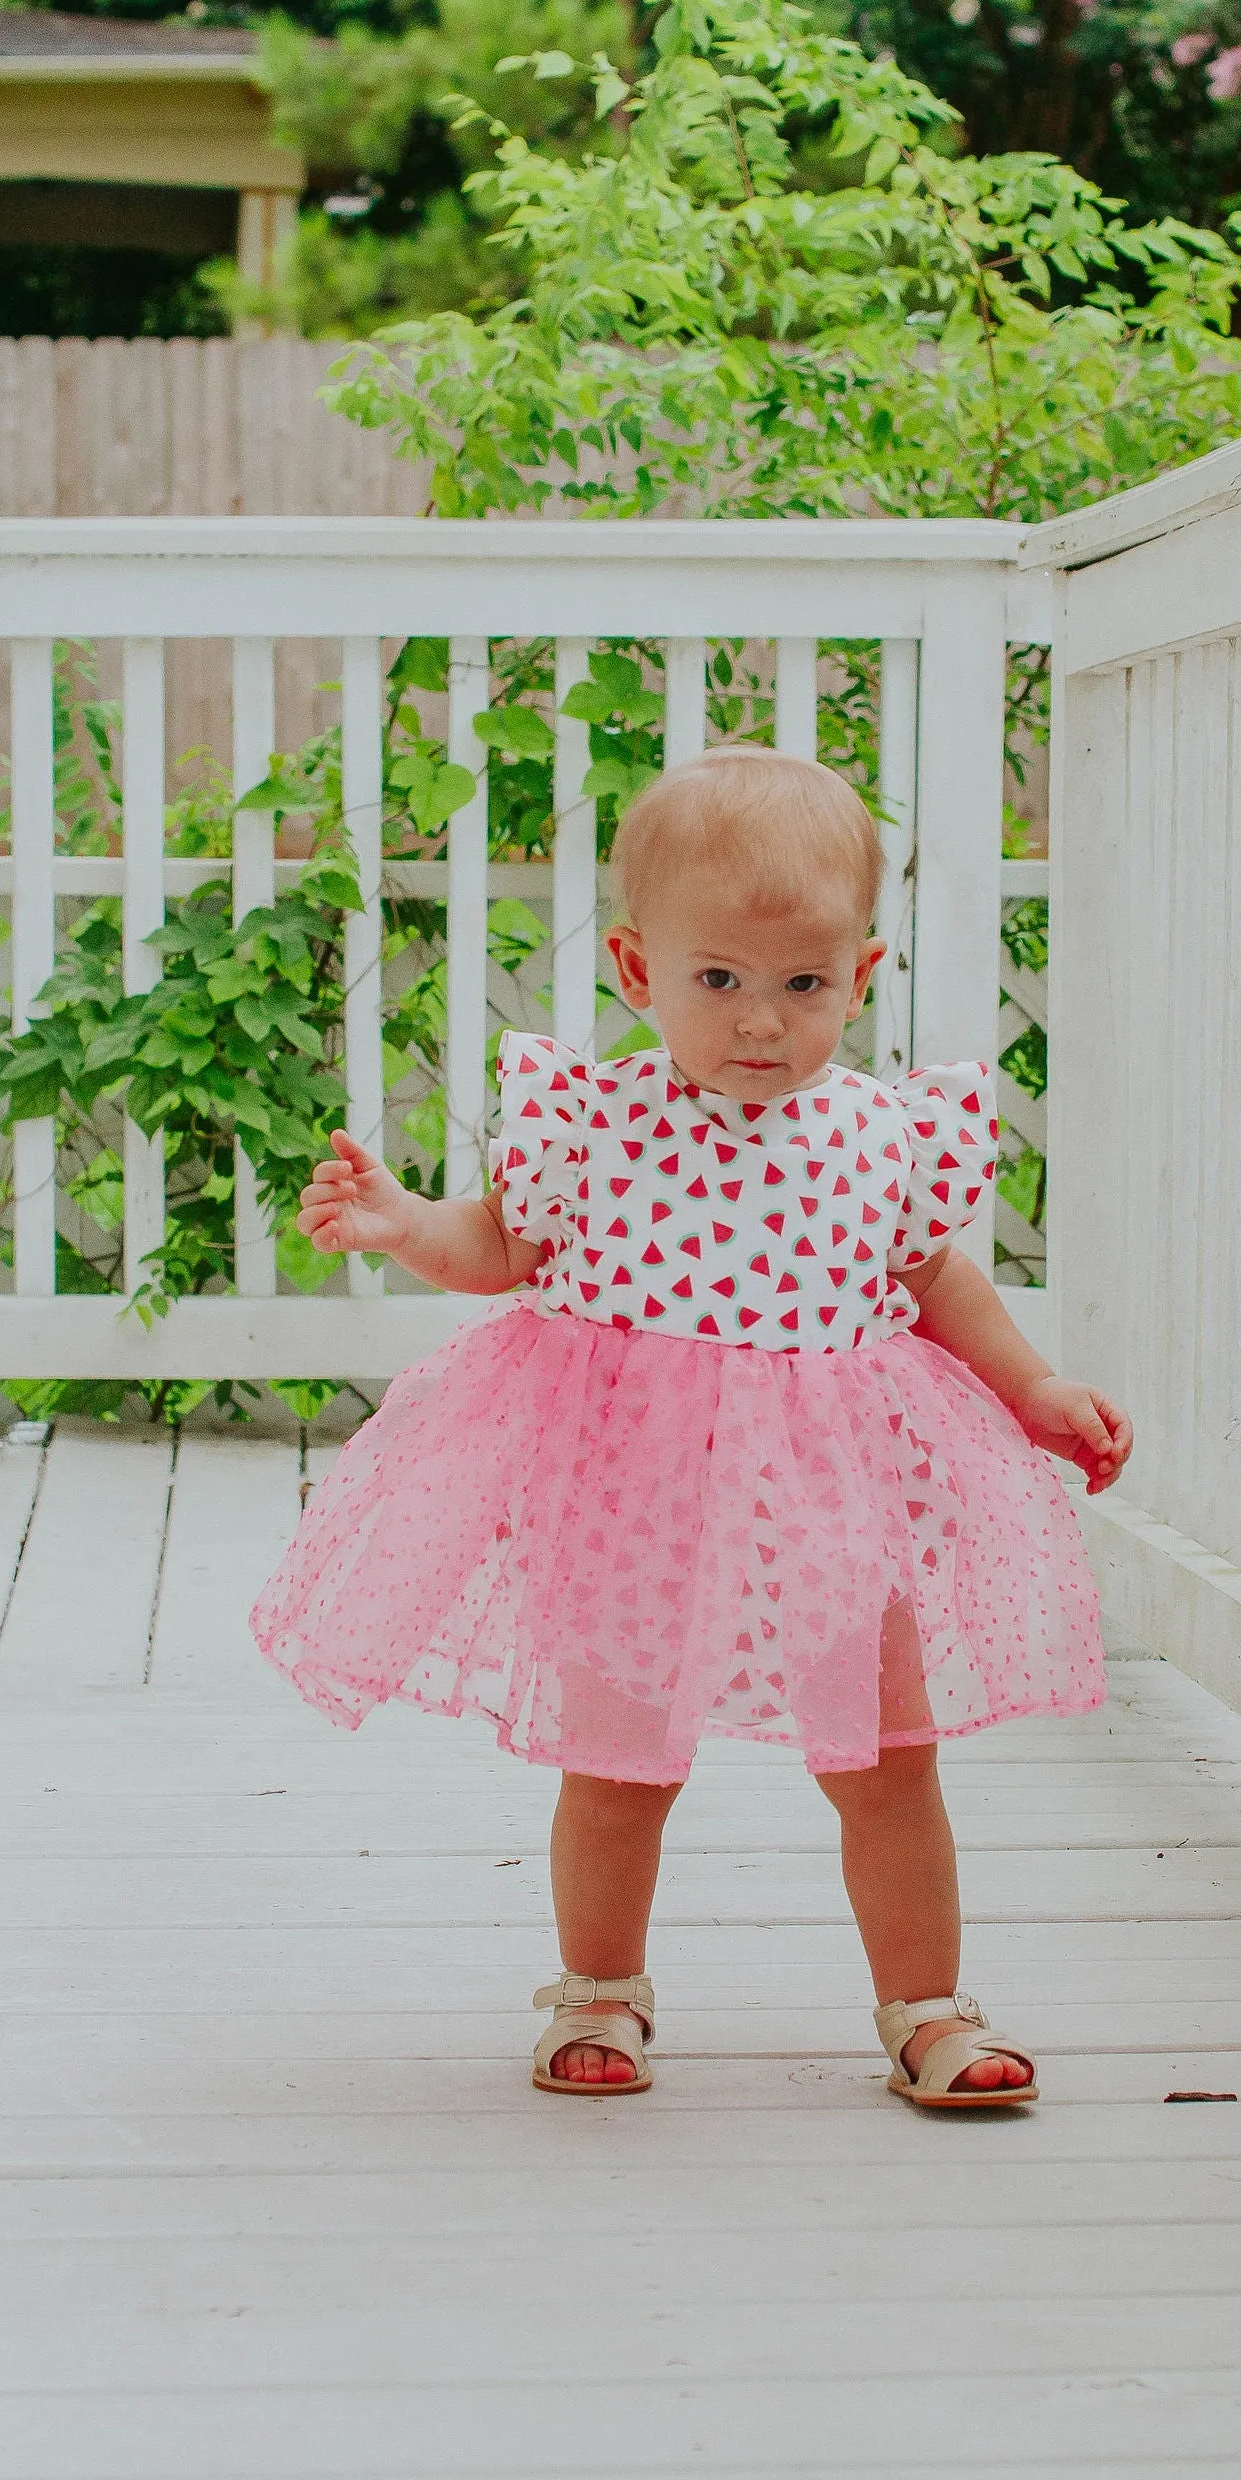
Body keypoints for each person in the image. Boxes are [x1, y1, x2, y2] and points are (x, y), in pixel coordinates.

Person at [251, 745, 1131, 2108]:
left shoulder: (882, 1138)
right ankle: (599, 1990)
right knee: (618, 1768)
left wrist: (1033, 1390)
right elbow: (503, 1246)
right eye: (717, 978)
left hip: (833, 1506)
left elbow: (938, 1278)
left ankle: (928, 2006)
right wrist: (400, 1224)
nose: (762, 1023)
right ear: (636, 967)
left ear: (863, 974)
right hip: (640, 1502)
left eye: (803, 984)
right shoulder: (593, 1126)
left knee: (891, 1765)